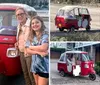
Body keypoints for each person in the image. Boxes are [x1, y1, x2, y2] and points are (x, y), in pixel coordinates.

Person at [25, 16, 49, 85]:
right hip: (34, 67)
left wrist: (30, 46)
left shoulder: (45, 35)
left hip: (43, 67)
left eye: (37, 22)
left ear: (41, 23)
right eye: (32, 23)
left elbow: (43, 47)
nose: (34, 25)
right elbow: (27, 51)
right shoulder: (31, 36)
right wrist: (38, 52)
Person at [15, 7, 35, 85]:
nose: (19, 16)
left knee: (31, 74)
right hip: (21, 52)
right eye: (17, 15)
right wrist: (17, 43)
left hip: (30, 53)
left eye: (21, 14)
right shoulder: (19, 26)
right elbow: (21, 38)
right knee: (25, 73)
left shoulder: (31, 24)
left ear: (26, 14)